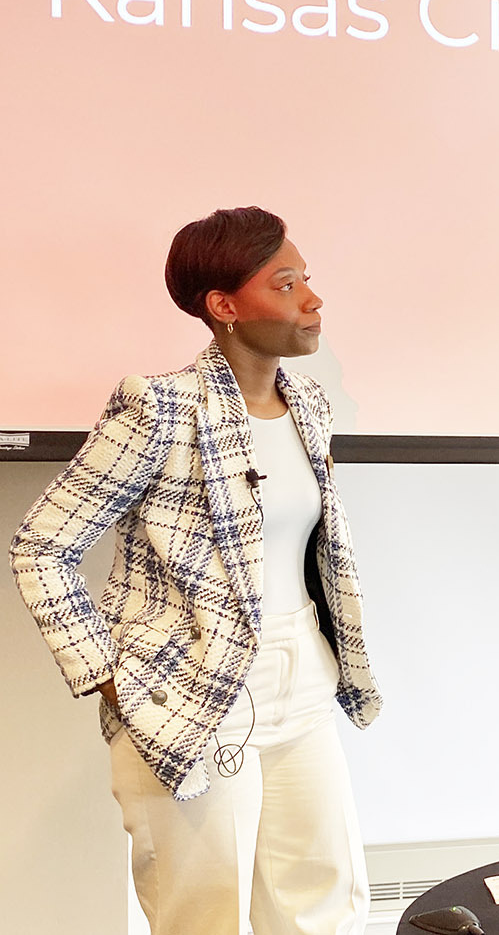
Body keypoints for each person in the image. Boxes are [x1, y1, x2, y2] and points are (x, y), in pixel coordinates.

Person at [11, 206, 382, 935]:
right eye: (285, 283)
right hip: (191, 688)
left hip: (302, 676)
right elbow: (41, 545)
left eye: (307, 278)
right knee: (204, 917)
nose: (313, 299)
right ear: (225, 306)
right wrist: (117, 677)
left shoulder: (308, 404)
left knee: (324, 907)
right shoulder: (160, 407)